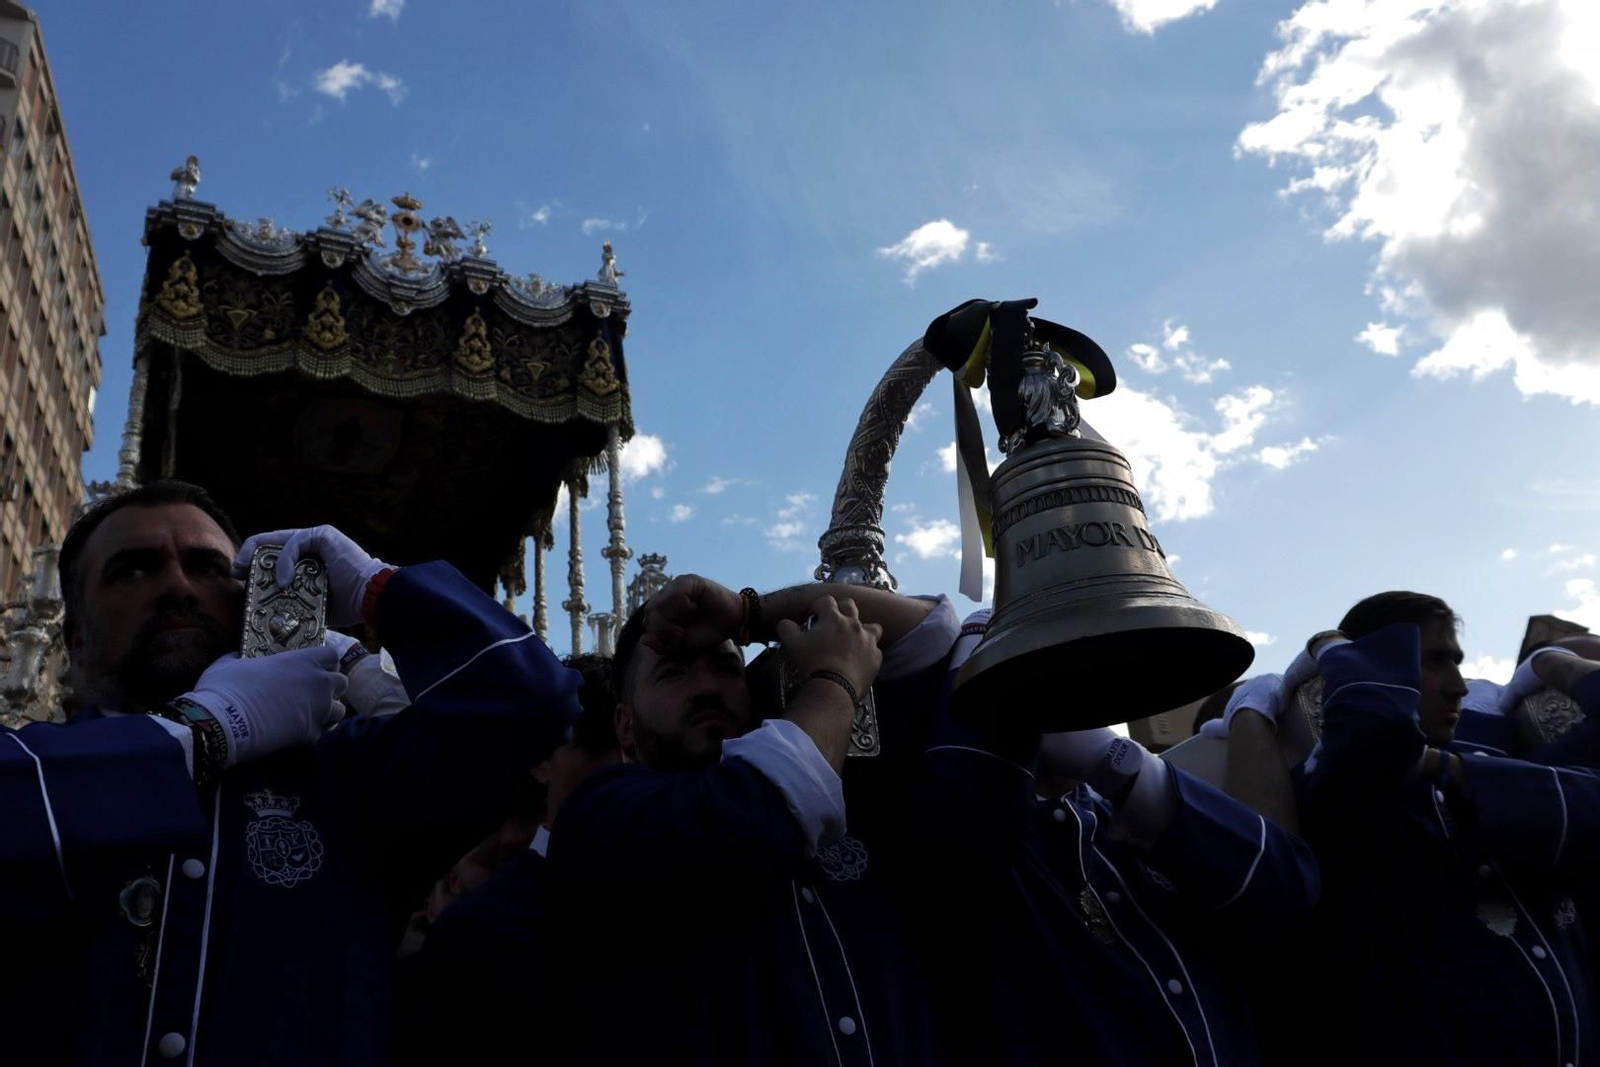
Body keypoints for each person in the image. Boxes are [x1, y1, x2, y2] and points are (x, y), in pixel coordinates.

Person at [1, 480, 580, 1066]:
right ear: (75, 642)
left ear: (249, 603)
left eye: (209, 569)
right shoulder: (31, 764)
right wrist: (206, 728)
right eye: (132, 571)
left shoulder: (348, 779)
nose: (178, 587)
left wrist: (380, 590)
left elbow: (535, 704)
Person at [548, 573, 953, 1065]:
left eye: (725, 667)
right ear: (625, 725)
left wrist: (749, 614)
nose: (707, 688)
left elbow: (934, 636)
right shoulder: (600, 817)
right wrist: (836, 680)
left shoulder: (841, 785)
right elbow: (753, 809)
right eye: (673, 673)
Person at [909, 609, 1320, 1067]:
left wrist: (1120, 764)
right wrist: (968, 643)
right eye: (1023, 670)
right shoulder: (972, 842)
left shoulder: (1148, 819)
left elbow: (1289, 890)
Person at [1295, 590, 1600, 1067]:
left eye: (1456, 662)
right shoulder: (1343, 788)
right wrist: (1330, 646)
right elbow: (1375, 736)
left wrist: (1548, 664)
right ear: (1375, 669)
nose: (1458, 686)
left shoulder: (1497, 771)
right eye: (1434, 662)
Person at [391, 653, 623, 1066]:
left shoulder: (688, 891)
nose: (618, 765)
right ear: (541, 763)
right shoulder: (477, 929)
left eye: (631, 741)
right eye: (597, 744)